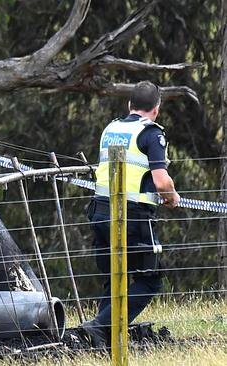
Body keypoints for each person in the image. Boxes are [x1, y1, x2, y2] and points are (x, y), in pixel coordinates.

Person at [82, 81, 180, 348]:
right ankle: (101, 327)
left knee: (114, 276)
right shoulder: (152, 134)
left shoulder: (110, 128)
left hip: (100, 211)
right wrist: (172, 197)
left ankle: (97, 341)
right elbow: (161, 182)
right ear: (156, 110)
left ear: (129, 105)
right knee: (150, 279)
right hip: (133, 215)